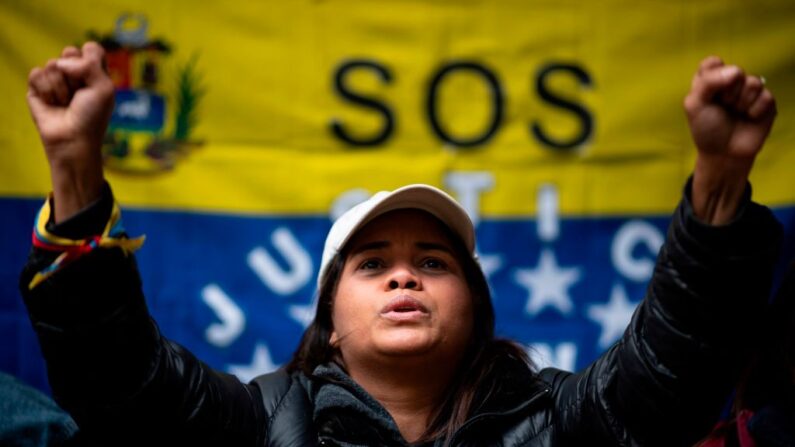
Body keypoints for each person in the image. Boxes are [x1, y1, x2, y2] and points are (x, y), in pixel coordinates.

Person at [19, 42, 781, 446]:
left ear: (474, 308)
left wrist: (717, 178)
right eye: (373, 263)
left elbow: (674, 363)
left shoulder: (564, 419)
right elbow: (120, 381)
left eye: (432, 262)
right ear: (329, 323)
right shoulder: (255, 423)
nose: (403, 278)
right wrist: (76, 168)